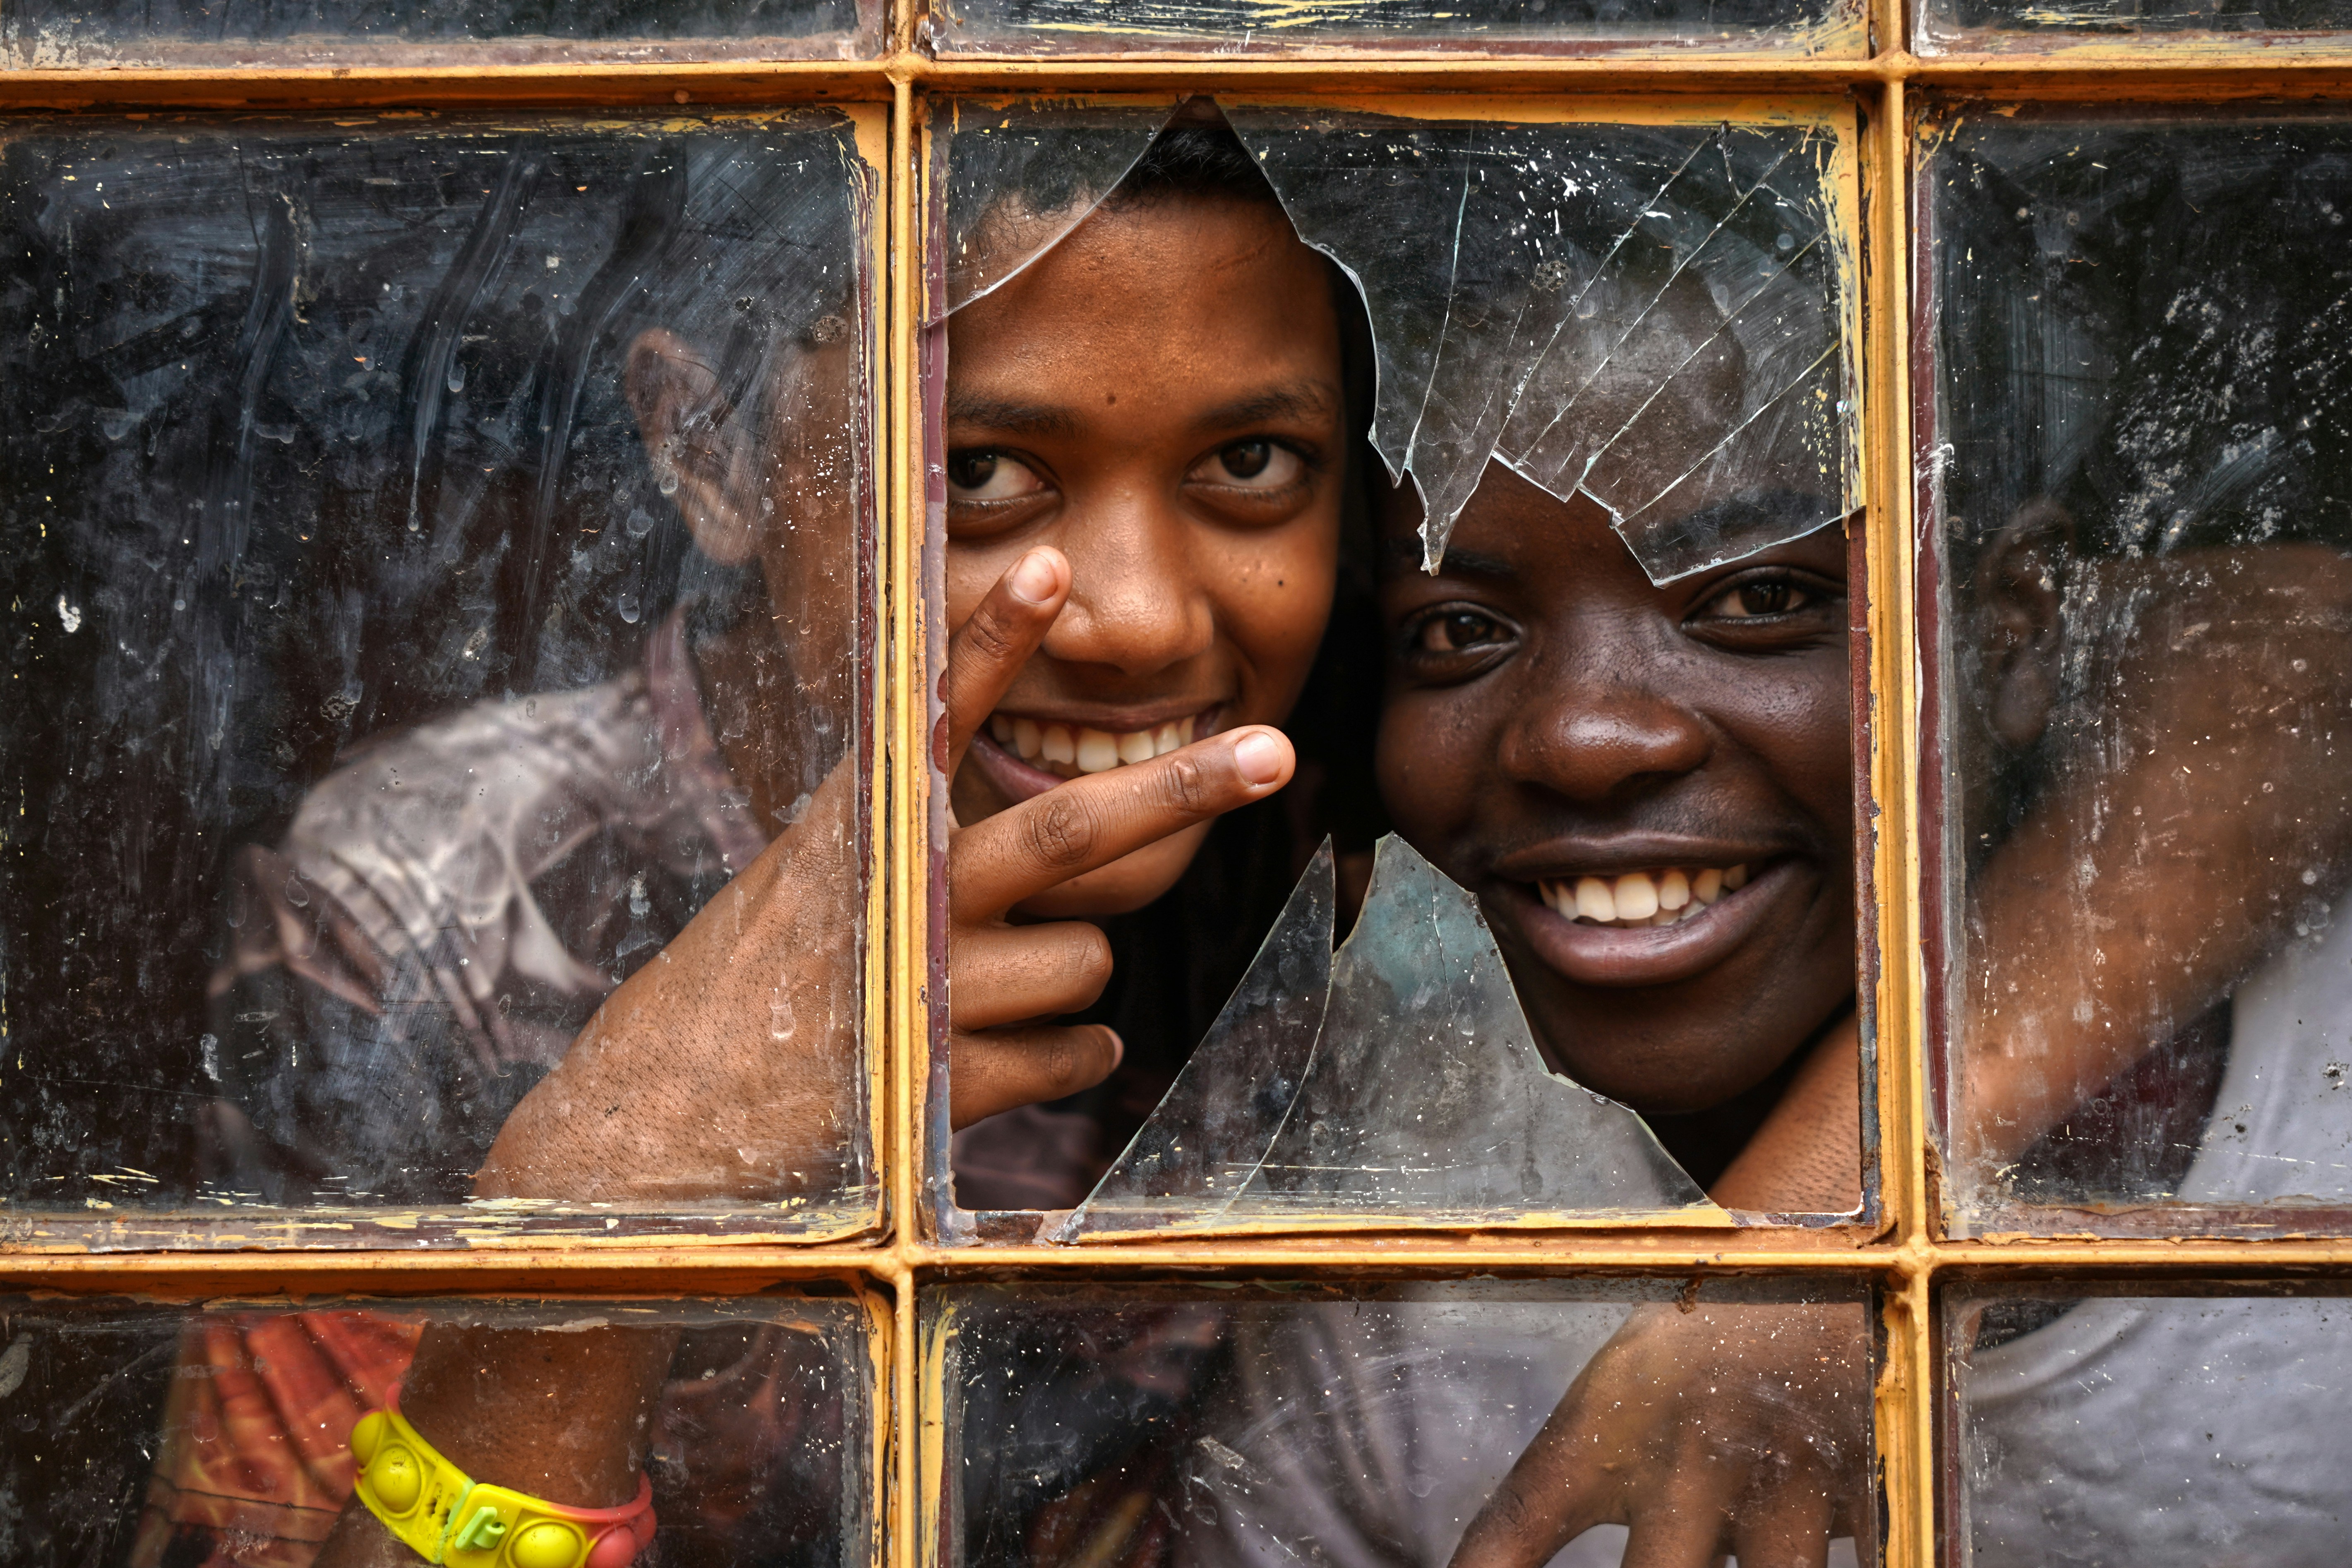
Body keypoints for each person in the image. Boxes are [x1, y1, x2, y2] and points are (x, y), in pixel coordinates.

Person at [141, 117, 1372, 1568]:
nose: (1145, 620)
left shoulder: (1320, 891)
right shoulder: (432, 905)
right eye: (978, 475)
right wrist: (610, 1201)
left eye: (1248, 460)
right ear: (711, 451)